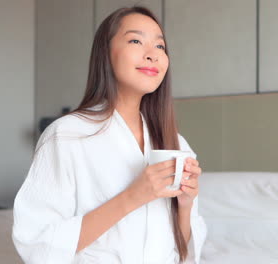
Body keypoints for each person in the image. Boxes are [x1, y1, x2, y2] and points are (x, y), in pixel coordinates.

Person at [12, 6, 207, 264]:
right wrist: (134, 195)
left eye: (160, 47)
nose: (153, 55)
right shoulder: (67, 135)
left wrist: (185, 205)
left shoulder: (175, 143)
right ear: (106, 53)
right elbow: (38, 243)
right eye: (136, 40)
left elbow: (182, 254)